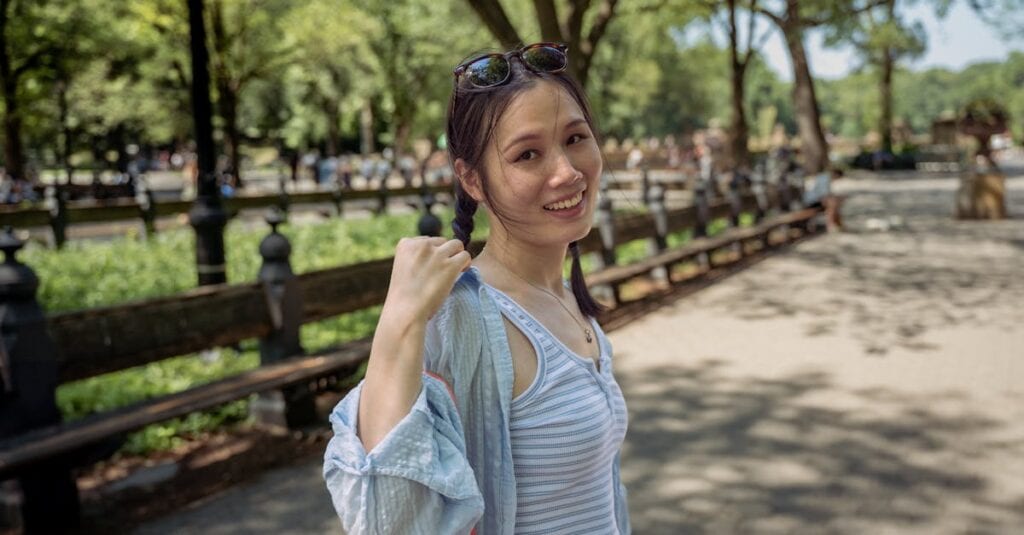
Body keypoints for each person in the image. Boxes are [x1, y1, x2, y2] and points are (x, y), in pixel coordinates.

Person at [323, 42, 630, 534]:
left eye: (575, 138)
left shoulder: (566, 297)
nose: (568, 172)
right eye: (527, 154)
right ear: (472, 180)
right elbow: (388, 519)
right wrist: (400, 320)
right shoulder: (464, 319)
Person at [804, 167, 844, 232]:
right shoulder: (824, 178)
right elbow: (823, 196)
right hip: (812, 201)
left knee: (835, 203)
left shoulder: (826, 178)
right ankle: (831, 224)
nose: (836, 180)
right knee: (832, 205)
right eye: (837, 178)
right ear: (836, 174)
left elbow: (826, 195)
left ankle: (836, 224)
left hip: (816, 200)